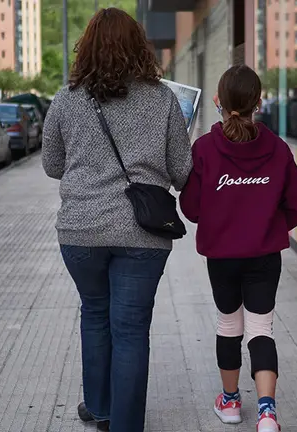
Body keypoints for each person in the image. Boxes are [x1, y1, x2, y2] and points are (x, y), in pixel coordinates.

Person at [40, 8, 193, 432]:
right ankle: (124, 423)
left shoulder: (67, 98)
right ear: (138, 47)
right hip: (142, 232)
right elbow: (182, 171)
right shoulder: (162, 98)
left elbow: (52, 164)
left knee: (94, 312)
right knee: (130, 329)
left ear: (85, 48)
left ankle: (100, 407)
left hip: (81, 231)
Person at [180, 65, 297, 432]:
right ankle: (267, 412)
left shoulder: (205, 149)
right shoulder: (279, 149)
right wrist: (266, 228)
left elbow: (190, 208)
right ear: (259, 102)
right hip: (264, 257)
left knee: (229, 324)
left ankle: (232, 403)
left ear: (219, 101)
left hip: (222, 257)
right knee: (260, 328)